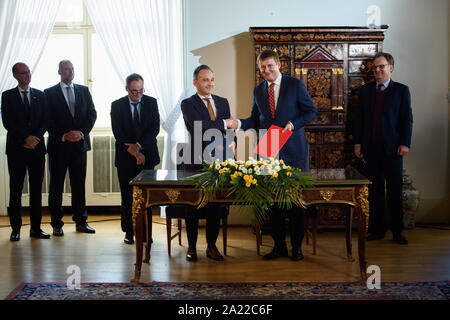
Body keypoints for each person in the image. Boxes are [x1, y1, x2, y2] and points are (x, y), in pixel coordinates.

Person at [231, 49, 317, 261]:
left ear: (279, 65)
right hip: (269, 149)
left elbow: (311, 112)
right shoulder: (258, 90)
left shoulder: (294, 85)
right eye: (262, 67)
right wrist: (239, 124)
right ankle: (279, 247)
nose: (266, 70)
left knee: (296, 203)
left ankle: (296, 248)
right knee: (274, 204)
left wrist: (293, 124)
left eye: (270, 65)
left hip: (293, 149)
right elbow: (254, 119)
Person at [354, 52, 413, 245]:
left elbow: (407, 119)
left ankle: (397, 231)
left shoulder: (401, 91)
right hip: (371, 150)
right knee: (375, 192)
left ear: (391, 67)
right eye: (375, 67)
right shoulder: (366, 91)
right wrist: (358, 143)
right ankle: (378, 230)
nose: (377, 70)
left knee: (394, 192)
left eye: (381, 66)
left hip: (393, 150)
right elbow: (360, 120)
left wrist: (405, 143)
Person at [179, 64, 233, 262]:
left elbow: (229, 131)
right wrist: (225, 123)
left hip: (219, 160)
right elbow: (199, 128)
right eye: (204, 80)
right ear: (195, 82)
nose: (209, 83)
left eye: (211, 79)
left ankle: (212, 246)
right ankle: (192, 247)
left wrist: (233, 141)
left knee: (215, 206)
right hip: (195, 160)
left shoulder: (223, 102)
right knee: (192, 206)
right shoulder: (187, 104)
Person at [45, 60, 97, 236]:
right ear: (59, 71)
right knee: (56, 186)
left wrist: (81, 133)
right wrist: (64, 134)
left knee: (78, 185)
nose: (70, 72)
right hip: (59, 146)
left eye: (72, 69)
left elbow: (92, 113)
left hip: (79, 146)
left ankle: (81, 221)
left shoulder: (83, 90)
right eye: (66, 69)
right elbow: (47, 119)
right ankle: (56, 223)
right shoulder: (49, 93)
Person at [1, 62, 50, 241]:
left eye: (28, 72)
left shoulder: (40, 95)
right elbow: (8, 122)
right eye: (23, 73)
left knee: (36, 189)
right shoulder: (7, 96)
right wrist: (25, 138)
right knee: (16, 189)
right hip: (17, 149)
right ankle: (16, 228)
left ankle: (36, 228)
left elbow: (46, 119)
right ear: (15, 75)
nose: (27, 75)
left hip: (36, 149)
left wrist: (35, 137)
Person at [111, 73, 160, 244]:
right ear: (126, 89)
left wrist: (139, 147)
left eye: (140, 90)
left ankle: (147, 232)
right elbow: (118, 132)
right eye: (134, 91)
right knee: (127, 196)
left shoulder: (151, 102)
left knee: (146, 197)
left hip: (147, 156)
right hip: (125, 157)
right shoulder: (116, 106)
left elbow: (154, 129)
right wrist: (133, 151)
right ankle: (129, 232)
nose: (138, 95)